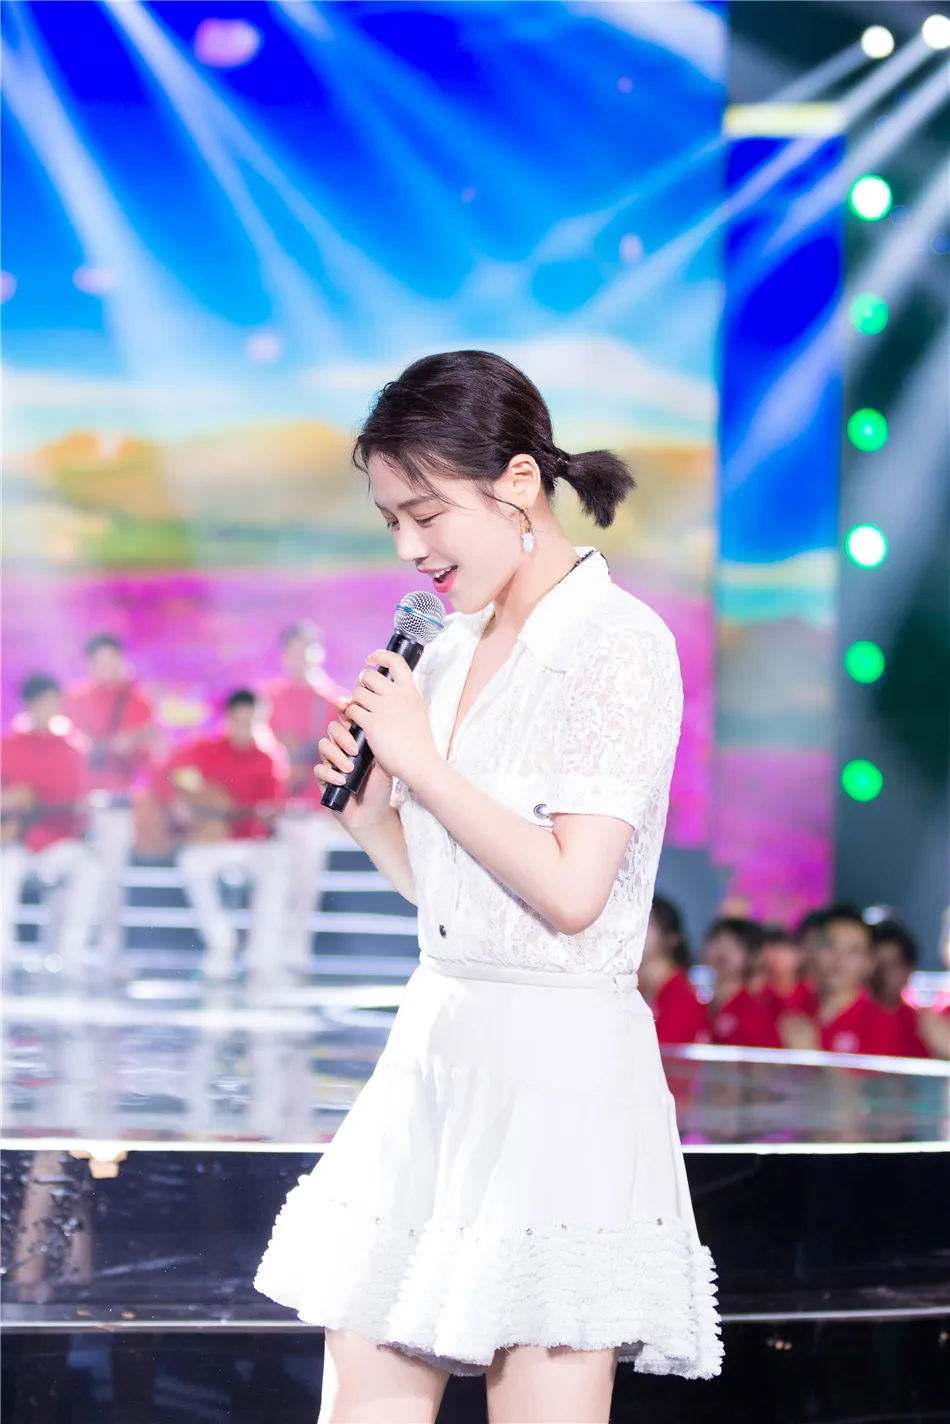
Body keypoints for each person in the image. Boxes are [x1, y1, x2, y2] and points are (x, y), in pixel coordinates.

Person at [254, 350, 722, 1423]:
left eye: (426, 514)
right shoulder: (448, 648)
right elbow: (462, 906)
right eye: (390, 522)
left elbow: (571, 892)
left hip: (557, 1077)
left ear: (517, 482)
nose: (409, 548)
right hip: (435, 1049)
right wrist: (374, 816)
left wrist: (420, 765)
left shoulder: (616, 643)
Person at [150, 690, 289, 984]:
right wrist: (176, 804)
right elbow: (159, 772)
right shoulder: (204, 748)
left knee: (277, 866)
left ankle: (261, 957)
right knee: (191, 863)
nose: (244, 728)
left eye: (250, 721)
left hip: (251, 842)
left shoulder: (270, 757)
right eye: (238, 721)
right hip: (210, 841)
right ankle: (220, 941)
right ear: (228, 719)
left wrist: (265, 816)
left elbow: (273, 810)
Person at [66, 634, 156, 970]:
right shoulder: (74, 699)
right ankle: (66, 952)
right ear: (89, 664)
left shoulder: (138, 700)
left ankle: (110, 952)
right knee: (72, 878)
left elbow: (149, 756)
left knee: (111, 879)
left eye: (110, 661)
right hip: (75, 805)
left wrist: (132, 747)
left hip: (116, 803)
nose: (105, 668)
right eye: (99, 662)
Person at [1, 675, 102, 975]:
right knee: (5, 871)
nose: (49, 708)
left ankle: (71, 955)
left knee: (90, 869)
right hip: (13, 843)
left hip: (58, 841)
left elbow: (82, 803)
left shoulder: (74, 748)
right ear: (29, 704)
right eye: (42, 702)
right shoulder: (7, 746)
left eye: (54, 701)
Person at [264, 624, 347, 978]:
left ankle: (296, 954)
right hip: (276, 807)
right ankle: (267, 954)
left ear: (318, 653)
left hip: (313, 807)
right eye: (293, 650)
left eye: (305, 649)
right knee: (273, 883)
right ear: (284, 655)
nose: (299, 657)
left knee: (306, 884)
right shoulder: (268, 699)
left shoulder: (334, 701)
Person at [781, 909, 897, 1056]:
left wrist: (811, 1056)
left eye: (852, 951)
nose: (838, 960)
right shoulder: (792, 1012)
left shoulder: (882, 1024)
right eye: (831, 947)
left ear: (869, 963)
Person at [639, 895, 708, 1045]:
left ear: (671, 938)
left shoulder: (683, 997)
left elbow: (664, 1049)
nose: (633, 930)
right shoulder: (635, 987)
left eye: (645, 923)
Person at [703, 917, 780, 1049]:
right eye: (716, 941)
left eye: (734, 945)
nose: (722, 951)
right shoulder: (699, 1004)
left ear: (752, 956)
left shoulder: (755, 1011)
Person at [870, 918, 930, 1058]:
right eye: (878, 965)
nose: (883, 974)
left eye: (893, 966)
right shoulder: (844, 1015)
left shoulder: (921, 1024)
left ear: (909, 971)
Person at [755, 925, 818, 1030]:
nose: (776, 956)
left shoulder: (812, 994)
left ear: (800, 955)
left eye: (783, 949)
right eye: (772, 949)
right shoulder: (757, 994)